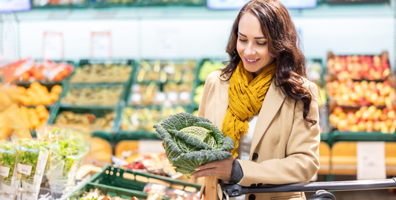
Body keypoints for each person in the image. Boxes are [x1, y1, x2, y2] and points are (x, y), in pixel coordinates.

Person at [190, 0, 320, 199]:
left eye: (261, 43)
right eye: (243, 40)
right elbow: (202, 143)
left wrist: (238, 171)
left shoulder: (299, 92)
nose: (249, 51)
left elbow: (305, 164)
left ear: (279, 43)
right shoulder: (216, 83)